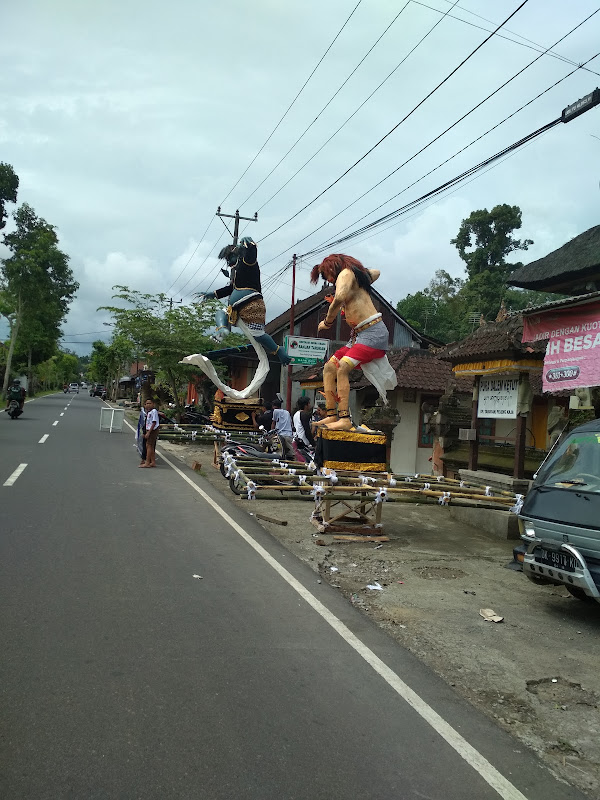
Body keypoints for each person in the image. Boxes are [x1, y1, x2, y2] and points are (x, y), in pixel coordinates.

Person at [312, 254, 396, 430]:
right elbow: (375, 273)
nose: (329, 281)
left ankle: (344, 419)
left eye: (328, 276)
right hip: (358, 336)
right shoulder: (351, 278)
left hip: (372, 334)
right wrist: (360, 275)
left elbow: (339, 297)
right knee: (329, 367)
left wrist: (327, 322)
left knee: (342, 367)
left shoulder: (346, 274)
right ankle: (331, 415)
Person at [140, 398, 159, 468]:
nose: (148, 405)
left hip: (153, 430)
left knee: (149, 446)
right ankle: (153, 462)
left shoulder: (154, 411)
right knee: (150, 445)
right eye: (146, 404)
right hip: (149, 430)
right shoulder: (148, 412)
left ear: (153, 404)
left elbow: (154, 422)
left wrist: (149, 432)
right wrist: (145, 432)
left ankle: (147, 462)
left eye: (149, 403)